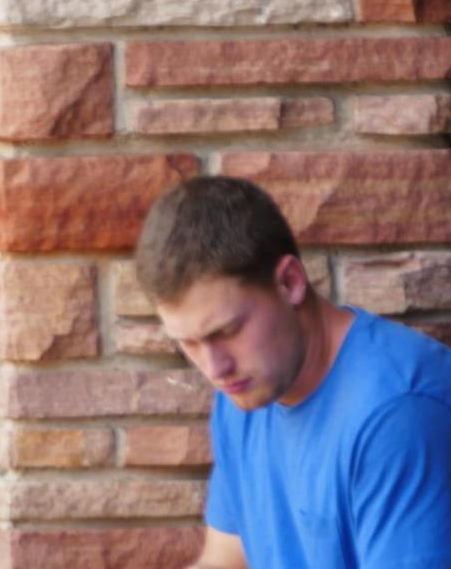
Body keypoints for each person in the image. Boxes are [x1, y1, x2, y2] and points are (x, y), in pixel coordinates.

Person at [132, 177, 451, 568]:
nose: (214, 368)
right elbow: (226, 559)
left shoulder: (398, 414)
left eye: (227, 331)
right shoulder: (243, 392)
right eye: (189, 343)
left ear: (290, 282)